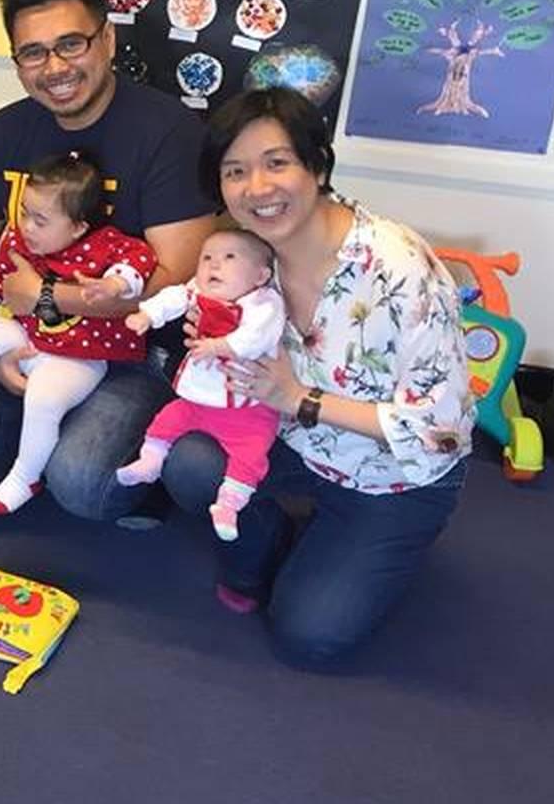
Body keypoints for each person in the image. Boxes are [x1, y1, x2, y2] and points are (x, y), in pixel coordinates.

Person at [158, 88, 472, 667]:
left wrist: (300, 399)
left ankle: (375, 544)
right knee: (189, 460)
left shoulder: (397, 269)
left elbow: (443, 429)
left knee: (309, 635)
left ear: (318, 166)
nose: (257, 188)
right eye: (235, 171)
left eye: (277, 163)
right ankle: (267, 544)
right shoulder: (248, 257)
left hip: (393, 475)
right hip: (291, 445)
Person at [0, 0, 215, 522]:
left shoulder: (168, 132)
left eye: (70, 44)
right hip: (26, 339)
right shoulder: (3, 132)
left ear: (107, 40)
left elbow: (177, 275)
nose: (54, 68)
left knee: (80, 483)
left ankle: (144, 470)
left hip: (127, 353)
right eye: (32, 53)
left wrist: (49, 299)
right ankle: (35, 447)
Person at [0, 152, 157, 514]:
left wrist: (117, 282)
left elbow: (141, 260)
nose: (26, 227)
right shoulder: (23, 243)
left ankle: (25, 475)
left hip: (78, 359)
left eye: (40, 220)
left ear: (77, 227)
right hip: (30, 343)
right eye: (24, 212)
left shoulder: (105, 246)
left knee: (42, 399)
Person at [115, 229, 285, 541]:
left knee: (250, 455)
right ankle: (150, 461)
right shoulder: (199, 292)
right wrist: (147, 315)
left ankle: (230, 503)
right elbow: (174, 296)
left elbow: (258, 336)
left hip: (246, 409)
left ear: (261, 275)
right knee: (167, 419)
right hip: (199, 398)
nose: (213, 266)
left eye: (229, 258)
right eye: (207, 258)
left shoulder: (264, 303)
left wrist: (220, 345)